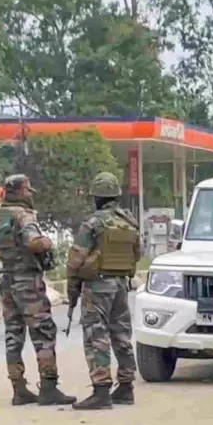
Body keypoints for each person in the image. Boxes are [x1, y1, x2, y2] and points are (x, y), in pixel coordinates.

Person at [0, 174, 77, 406]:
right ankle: (49, 388)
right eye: (29, 190)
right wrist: (47, 243)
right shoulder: (24, 215)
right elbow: (33, 242)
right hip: (28, 282)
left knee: (13, 335)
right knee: (43, 333)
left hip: (7, 281)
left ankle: (19, 389)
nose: (31, 194)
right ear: (21, 192)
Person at [66, 172, 142, 410]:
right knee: (121, 334)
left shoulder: (94, 223)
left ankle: (101, 391)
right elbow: (137, 253)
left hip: (98, 285)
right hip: (120, 284)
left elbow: (76, 257)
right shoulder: (129, 222)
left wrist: (72, 282)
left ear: (96, 198)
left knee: (95, 335)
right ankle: (126, 388)